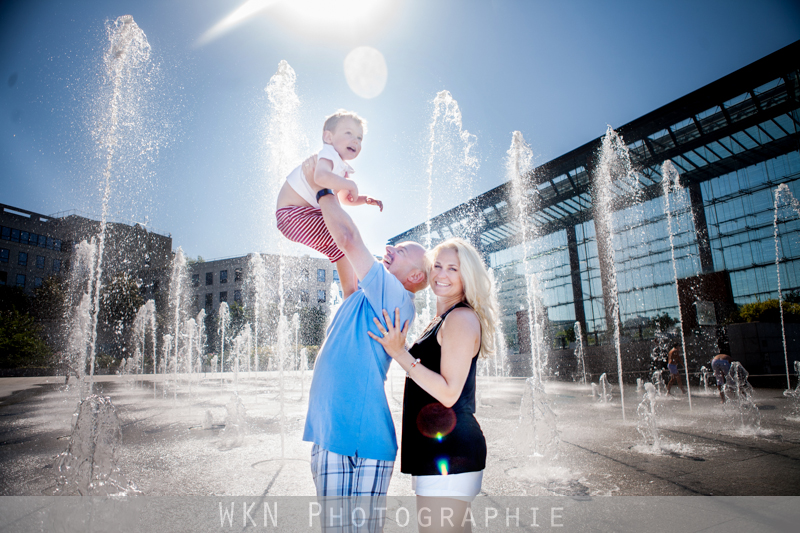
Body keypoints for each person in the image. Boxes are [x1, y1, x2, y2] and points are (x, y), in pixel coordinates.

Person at [299, 156, 428, 532]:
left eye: (401, 251)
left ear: (415, 275)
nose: (391, 249)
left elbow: (350, 240)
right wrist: (335, 196)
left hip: (355, 436)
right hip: (337, 430)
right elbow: (342, 254)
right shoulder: (370, 293)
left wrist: (322, 186)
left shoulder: (396, 295)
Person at [369, 238, 499, 533]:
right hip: (441, 452)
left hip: (451, 453)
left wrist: (400, 353)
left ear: (467, 276)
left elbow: (449, 393)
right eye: (438, 266)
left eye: (453, 268)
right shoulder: (443, 318)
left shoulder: (461, 318)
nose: (442, 274)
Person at [276, 110, 383, 299]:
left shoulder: (341, 169)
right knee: (343, 238)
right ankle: (351, 295)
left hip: (300, 215)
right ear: (328, 137)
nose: (356, 141)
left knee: (342, 242)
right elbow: (320, 177)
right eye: (349, 133)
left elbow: (343, 199)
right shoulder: (328, 154)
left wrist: (364, 199)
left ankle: (352, 292)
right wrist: (351, 185)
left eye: (360, 137)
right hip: (293, 214)